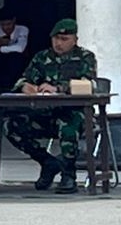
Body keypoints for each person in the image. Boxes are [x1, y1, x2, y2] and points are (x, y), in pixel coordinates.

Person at [7, 19, 99, 194]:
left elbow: (88, 83)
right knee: (11, 126)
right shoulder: (42, 58)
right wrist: (26, 86)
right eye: (56, 39)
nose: (59, 43)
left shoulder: (85, 57)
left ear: (75, 39)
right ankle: (48, 162)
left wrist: (59, 88)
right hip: (45, 113)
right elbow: (23, 79)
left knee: (68, 127)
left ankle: (69, 175)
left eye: (64, 39)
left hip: (74, 113)